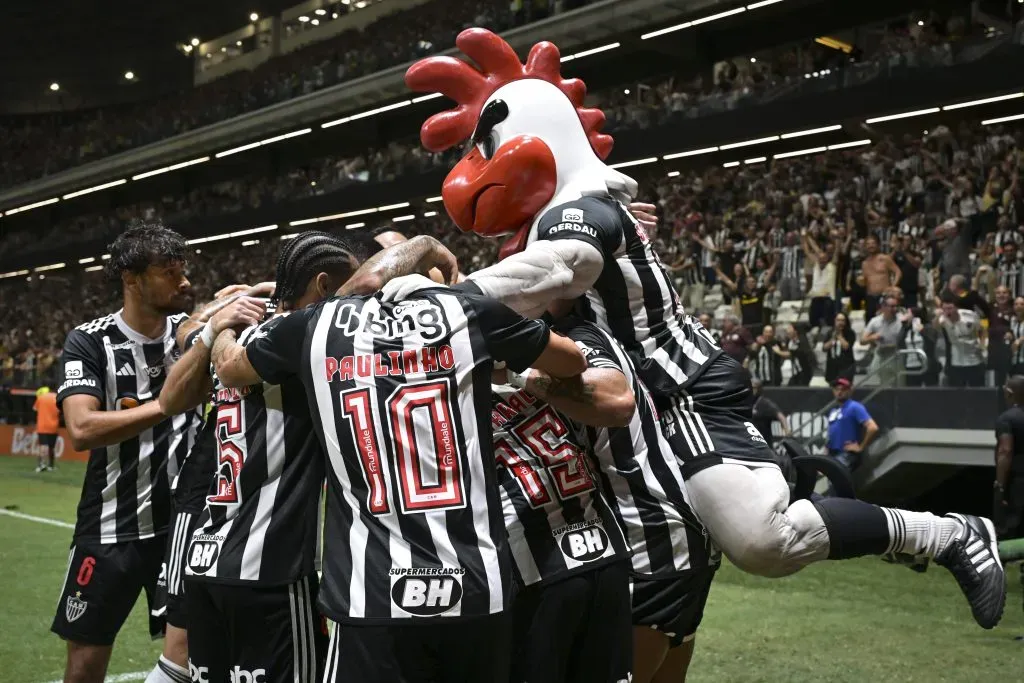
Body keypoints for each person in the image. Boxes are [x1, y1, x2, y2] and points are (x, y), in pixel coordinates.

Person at [402, 26, 1007, 630]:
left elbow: (567, 264)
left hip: (677, 393)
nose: (470, 171)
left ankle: (945, 533)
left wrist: (450, 299)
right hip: (643, 406)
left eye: (486, 145)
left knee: (761, 542)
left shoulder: (578, 212)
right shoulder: (578, 211)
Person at [212, 272, 587, 682]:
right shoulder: (470, 312)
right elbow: (572, 361)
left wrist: (219, 329)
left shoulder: (313, 326)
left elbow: (230, 370)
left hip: (371, 591)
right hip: (477, 585)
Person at [159, 232, 459, 683]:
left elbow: (171, 392)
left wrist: (216, 326)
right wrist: (424, 249)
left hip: (207, 560)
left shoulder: (239, 335)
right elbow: (372, 287)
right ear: (323, 287)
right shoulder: (314, 339)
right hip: (271, 566)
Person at [53, 222, 202, 683]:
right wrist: (164, 406)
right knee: (86, 660)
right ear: (132, 279)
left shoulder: (194, 332)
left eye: (184, 270)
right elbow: (80, 428)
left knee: (195, 655)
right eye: (169, 273)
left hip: (183, 528)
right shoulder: (89, 340)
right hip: (110, 526)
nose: (185, 282)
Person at [826, 378, 879, 474]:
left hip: (846, 454)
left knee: (836, 479)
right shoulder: (834, 411)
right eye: (837, 389)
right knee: (833, 480)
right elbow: (831, 434)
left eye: (843, 389)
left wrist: (861, 447)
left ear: (849, 391)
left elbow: (872, 427)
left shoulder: (855, 407)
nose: (839, 392)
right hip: (833, 453)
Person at [994, 376, 1024, 541]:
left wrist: (1000, 485)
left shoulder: (1007, 419)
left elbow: (1005, 450)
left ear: (1009, 393)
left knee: (1009, 524)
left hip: (1016, 481)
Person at [936, 301, 987, 387]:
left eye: (950, 308)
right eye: (945, 309)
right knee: (957, 394)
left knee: (978, 391)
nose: (948, 312)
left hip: (974, 359)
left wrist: (982, 345)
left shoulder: (970, 315)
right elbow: (935, 327)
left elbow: (982, 330)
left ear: (956, 308)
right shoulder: (943, 319)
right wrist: (937, 316)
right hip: (957, 362)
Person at [860, 296, 904, 388]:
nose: (894, 309)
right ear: (883, 307)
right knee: (883, 385)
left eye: (896, 306)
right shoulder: (875, 321)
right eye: (891, 306)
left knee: (899, 385)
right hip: (881, 353)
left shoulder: (902, 320)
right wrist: (873, 337)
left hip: (897, 354)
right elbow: (862, 341)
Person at [861, 234, 901, 321]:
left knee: (886, 321)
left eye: (873, 243)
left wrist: (893, 287)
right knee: (870, 322)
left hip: (884, 296)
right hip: (870, 297)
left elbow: (898, 272)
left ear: (878, 245)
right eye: (868, 244)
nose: (870, 246)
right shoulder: (864, 263)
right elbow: (865, 281)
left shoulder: (885, 258)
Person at [750, 378, 790, 449]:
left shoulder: (765, 403)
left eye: (754, 388)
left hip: (763, 444)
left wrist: (786, 431)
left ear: (759, 389)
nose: (751, 390)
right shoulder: (747, 402)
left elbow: (780, 416)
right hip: (750, 442)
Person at [823, 313, 856, 385]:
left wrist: (839, 336)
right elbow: (824, 348)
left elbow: (847, 347)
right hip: (832, 367)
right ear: (835, 321)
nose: (840, 323)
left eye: (843, 320)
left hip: (846, 367)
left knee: (844, 389)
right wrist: (832, 339)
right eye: (838, 320)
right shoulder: (830, 332)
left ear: (845, 322)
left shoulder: (850, 333)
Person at [33, 386, 59, 472]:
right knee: (52, 447)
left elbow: (35, 409)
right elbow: (60, 411)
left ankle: (41, 464)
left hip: (42, 425)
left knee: (43, 446)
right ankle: (51, 465)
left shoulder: (41, 397)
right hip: (53, 426)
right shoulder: (57, 398)